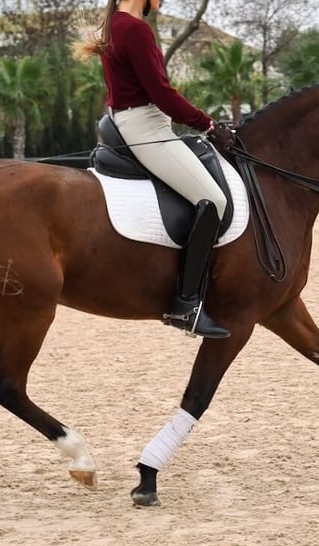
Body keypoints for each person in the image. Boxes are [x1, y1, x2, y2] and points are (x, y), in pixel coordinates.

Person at [75, 0, 233, 339]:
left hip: (133, 121)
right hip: (147, 128)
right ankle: (186, 304)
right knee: (213, 200)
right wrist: (208, 125)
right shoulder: (135, 30)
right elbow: (162, 94)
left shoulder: (115, 25)